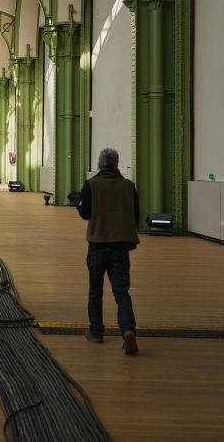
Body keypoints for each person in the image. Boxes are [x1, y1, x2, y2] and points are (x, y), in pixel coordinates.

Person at [77, 147, 141, 355]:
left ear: (99, 163)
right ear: (116, 163)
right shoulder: (128, 186)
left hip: (97, 245)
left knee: (95, 290)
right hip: (120, 247)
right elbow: (136, 215)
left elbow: (84, 213)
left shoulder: (91, 185)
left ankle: (96, 333)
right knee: (122, 292)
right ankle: (128, 331)